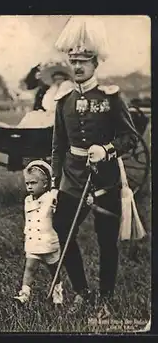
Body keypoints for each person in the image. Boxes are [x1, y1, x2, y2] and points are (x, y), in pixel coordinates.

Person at [50, 16, 139, 315]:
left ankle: (106, 297)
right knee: (62, 229)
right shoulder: (63, 101)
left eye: (83, 62)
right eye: (73, 61)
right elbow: (58, 147)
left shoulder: (111, 99)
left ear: (95, 64)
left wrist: (107, 149)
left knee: (106, 241)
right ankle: (81, 292)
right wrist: (53, 185)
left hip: (107, 181)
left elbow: (130, 138)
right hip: (72, 180)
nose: (77, 67)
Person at [14, 160, 64, 305]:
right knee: (29, 267)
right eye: (27, 183)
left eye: (33, 183)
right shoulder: (28, 200)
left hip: (48, 241)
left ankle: (57, 290)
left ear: (45, 183)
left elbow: (58, 207)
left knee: (54, 270)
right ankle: (24, 294)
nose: (29, 186)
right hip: (33, 240)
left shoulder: (51, 198)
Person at [17, 61, 74, 128]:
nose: (57, 81)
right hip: (50, 113)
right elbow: (46, 104)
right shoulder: (53, 88)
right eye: (55, 79)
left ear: (64, 77)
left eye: (59, 78)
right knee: (31, 116)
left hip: (62, 115)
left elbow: (60, 104)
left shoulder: (67, 85)